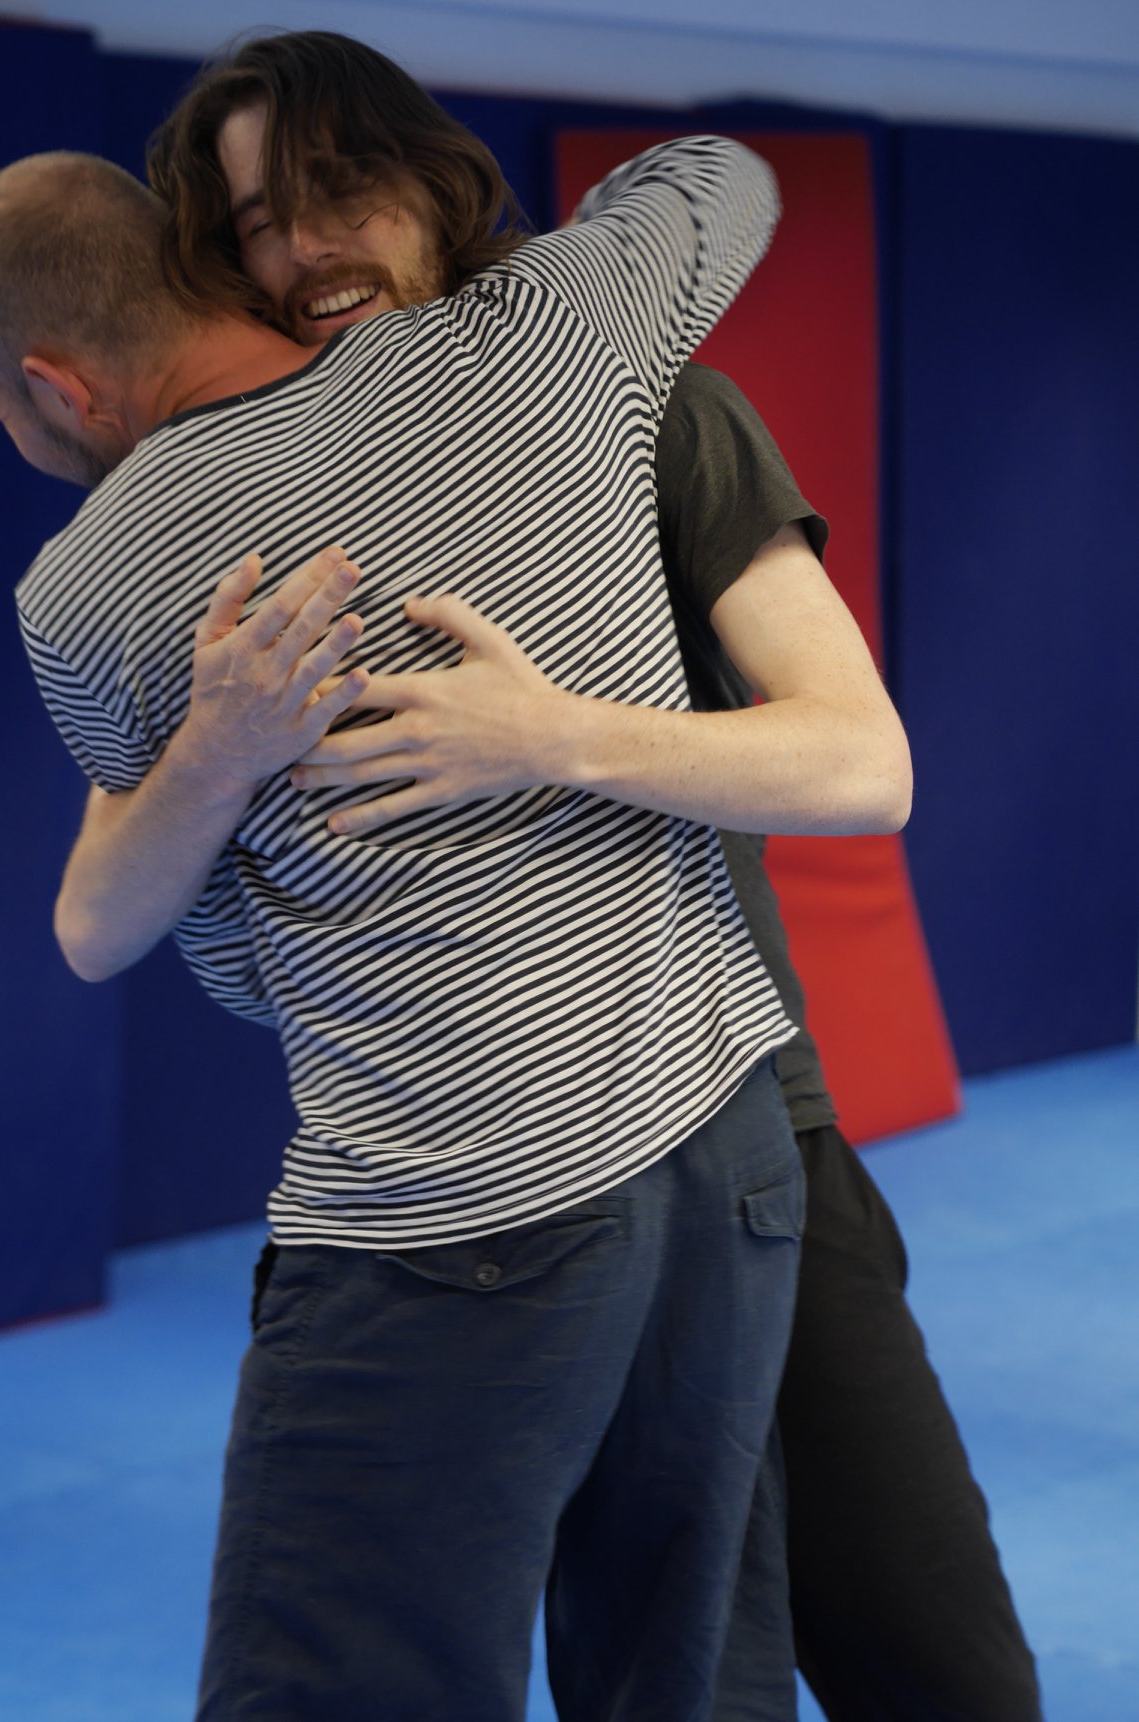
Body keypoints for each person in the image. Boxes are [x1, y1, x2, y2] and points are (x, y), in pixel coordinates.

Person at [57, 34, 1035, 1721]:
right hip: (496, 1186)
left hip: (737, 1128)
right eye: (258, 225)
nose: (306, 248)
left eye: (337, 191)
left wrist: (550, 734)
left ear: (434, 182)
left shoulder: (643, 405)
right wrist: (212, 750)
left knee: (938, 1670)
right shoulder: (248, 521)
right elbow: (103, 899)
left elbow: (858, 763)